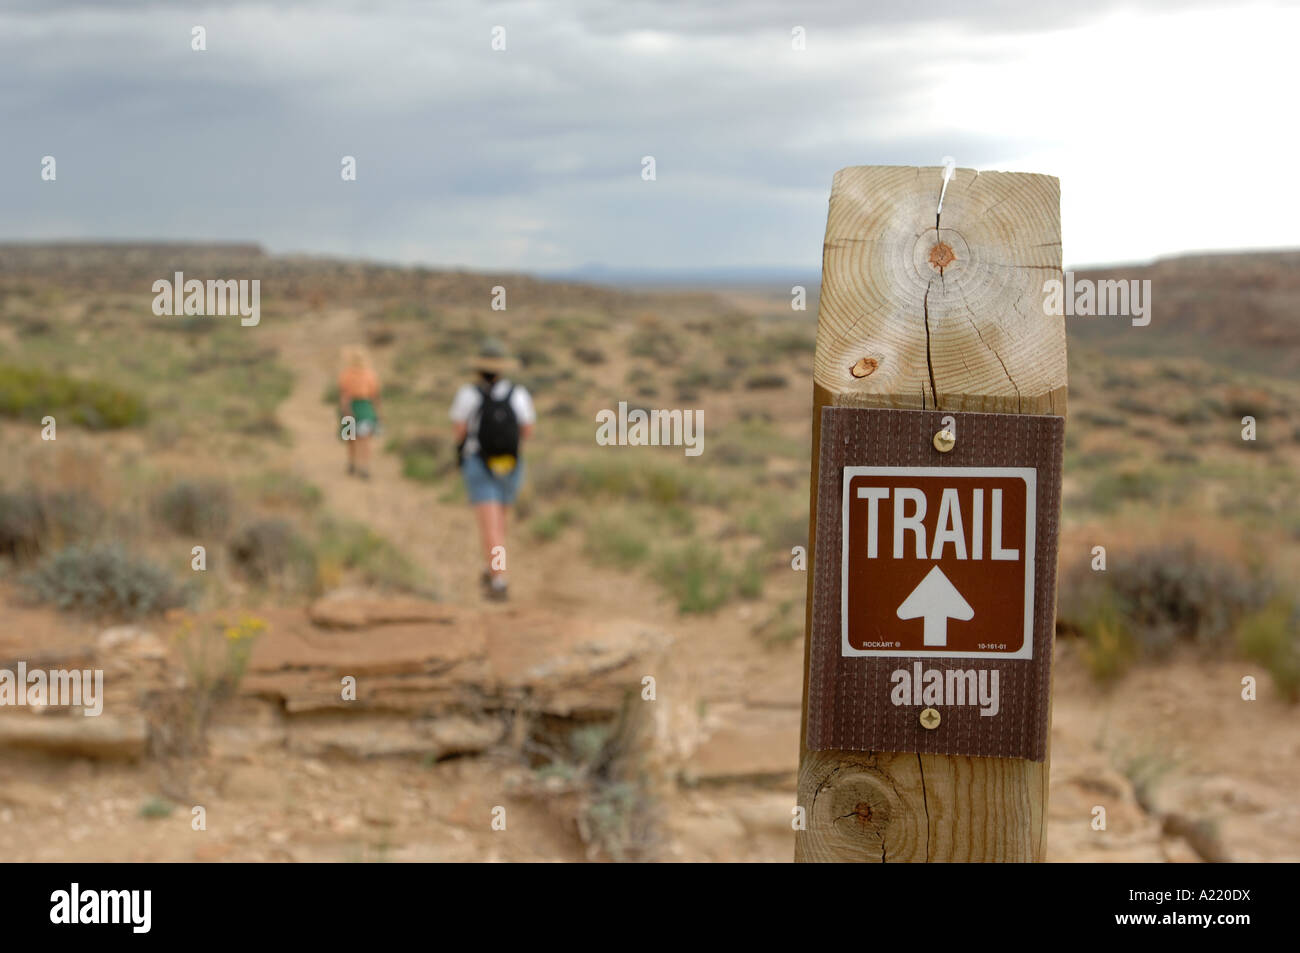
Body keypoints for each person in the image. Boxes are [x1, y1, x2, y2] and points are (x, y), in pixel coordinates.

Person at [449, 340, 535, 601]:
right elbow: (527, 430)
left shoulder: (468, 394)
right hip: (510, 463)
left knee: (491, 528)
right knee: (500, 524)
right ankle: (492, 567)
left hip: (479, 462)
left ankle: (498, 580)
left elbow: (459, 431)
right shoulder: (518, 394)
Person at [338, 346, 382, 479]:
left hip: (351, 407)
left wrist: (345, 410)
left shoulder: (346, 375)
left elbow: (344, 395)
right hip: (365, 407)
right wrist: (377, 412)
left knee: (351, 438)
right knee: (365, 439)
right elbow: (375, 395)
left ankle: (352, 462)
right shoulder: (371, 375)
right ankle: (364, 466)